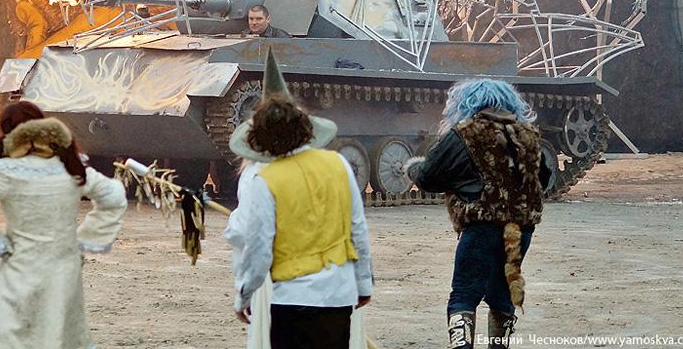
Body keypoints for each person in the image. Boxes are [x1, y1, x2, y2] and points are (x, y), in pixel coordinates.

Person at [0, 101, 127, 349]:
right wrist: (86, 238)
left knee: (10, 331)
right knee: (59, 329)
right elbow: (114, 195)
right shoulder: (70, 167)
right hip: (64, 265)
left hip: (20, 263)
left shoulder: (6, 172)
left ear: (8, 131)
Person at [224, 49, 373, 349]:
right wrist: (363, 283)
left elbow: (259, 247)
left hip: (293, 297)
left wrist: (244, 294)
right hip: (338, 294)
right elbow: (357, 230)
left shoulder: (266, 179)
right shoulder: (339, 164)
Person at [404, 79, 552, 349]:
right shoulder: (528, 135)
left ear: (465, 103)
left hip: (481, 226)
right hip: (521, 230)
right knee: (502, 293)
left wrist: (413, 168)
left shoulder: (464, 133)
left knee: (464, 293)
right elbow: (543, 179)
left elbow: (428, 178)